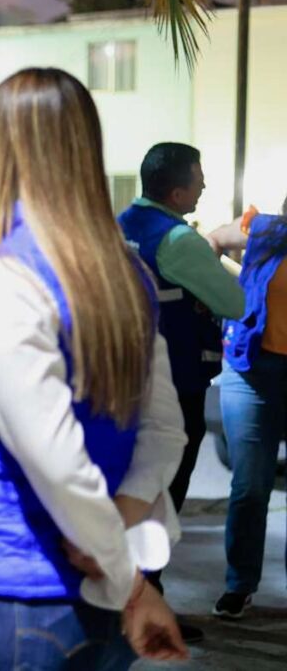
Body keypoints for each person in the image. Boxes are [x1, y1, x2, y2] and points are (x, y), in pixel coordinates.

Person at [0, 68, 189, 670]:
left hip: (8, 598)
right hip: (99, 597)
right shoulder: (127, 272)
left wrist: (126, 578)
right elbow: (165, 428)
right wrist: (121, 542)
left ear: (11, 153)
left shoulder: (3, 278)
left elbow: (51, 453)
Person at [116, 143, 245, 641]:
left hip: (124, 384)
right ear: (176, 191)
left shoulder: (120, 224)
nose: (205, 186)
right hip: (173, 389)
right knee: (162, 498)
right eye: (199, 179)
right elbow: (232, 303)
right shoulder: (178, 240)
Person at [205, 201, 287, 619]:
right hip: (251, 370)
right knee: (250, 486)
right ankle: (240, 585)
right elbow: (212, 241)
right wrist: (216, 297)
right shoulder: (266, 231)